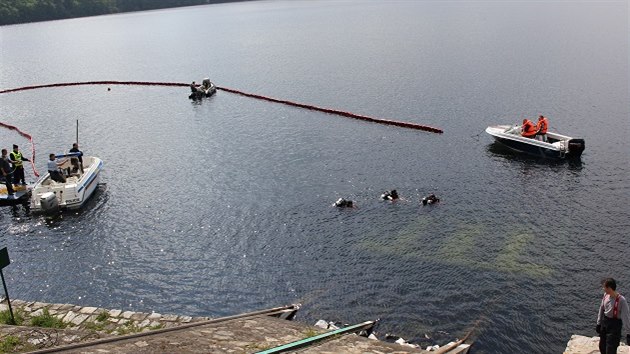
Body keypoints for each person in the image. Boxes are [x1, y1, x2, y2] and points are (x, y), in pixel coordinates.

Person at [596, 278, 630, 354]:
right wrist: (598, 323)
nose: (603, 289)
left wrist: (628, 333)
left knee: (610, 350)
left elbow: (626, 317)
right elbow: (601, 309)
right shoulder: (605, 296)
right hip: (605, 323)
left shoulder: (621, 300)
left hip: (615, 326)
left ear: (609, 288)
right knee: (602, 347)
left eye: (604, 287)